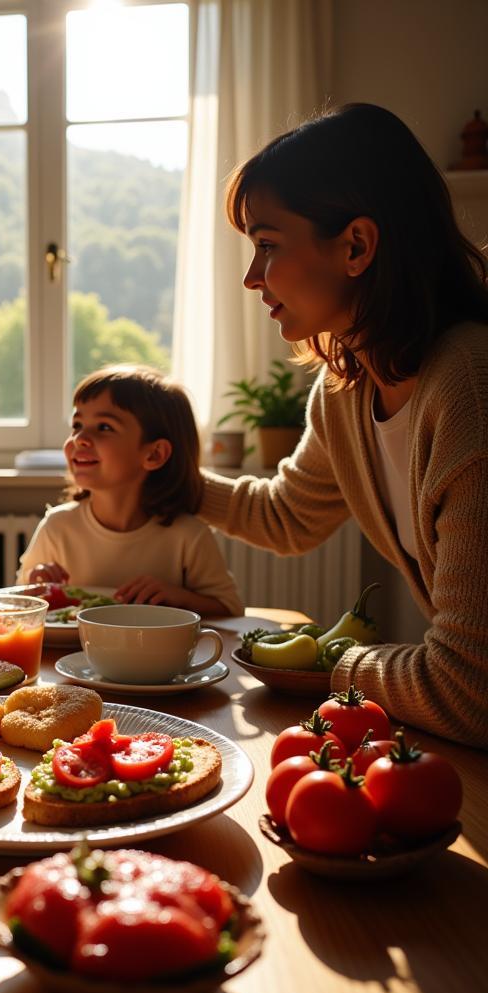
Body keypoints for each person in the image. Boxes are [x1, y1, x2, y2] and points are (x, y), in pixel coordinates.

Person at [208, 102, 488, 748]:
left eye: (268, 245)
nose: (252, 277)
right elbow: (288, 514)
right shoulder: (346, 392)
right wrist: (180, 488)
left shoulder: (467, 388)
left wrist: (323, 660)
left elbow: (468, 689)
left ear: (357, 245)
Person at [17, 365, 244, 617]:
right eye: (77, 424)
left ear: (154, 454)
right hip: (72, 655)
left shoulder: (189, 535)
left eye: (104, 427)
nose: (79, 438)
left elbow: (230, 608)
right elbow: (19, 602)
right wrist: (36, 583)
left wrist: (178, 597)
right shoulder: (58, 527)